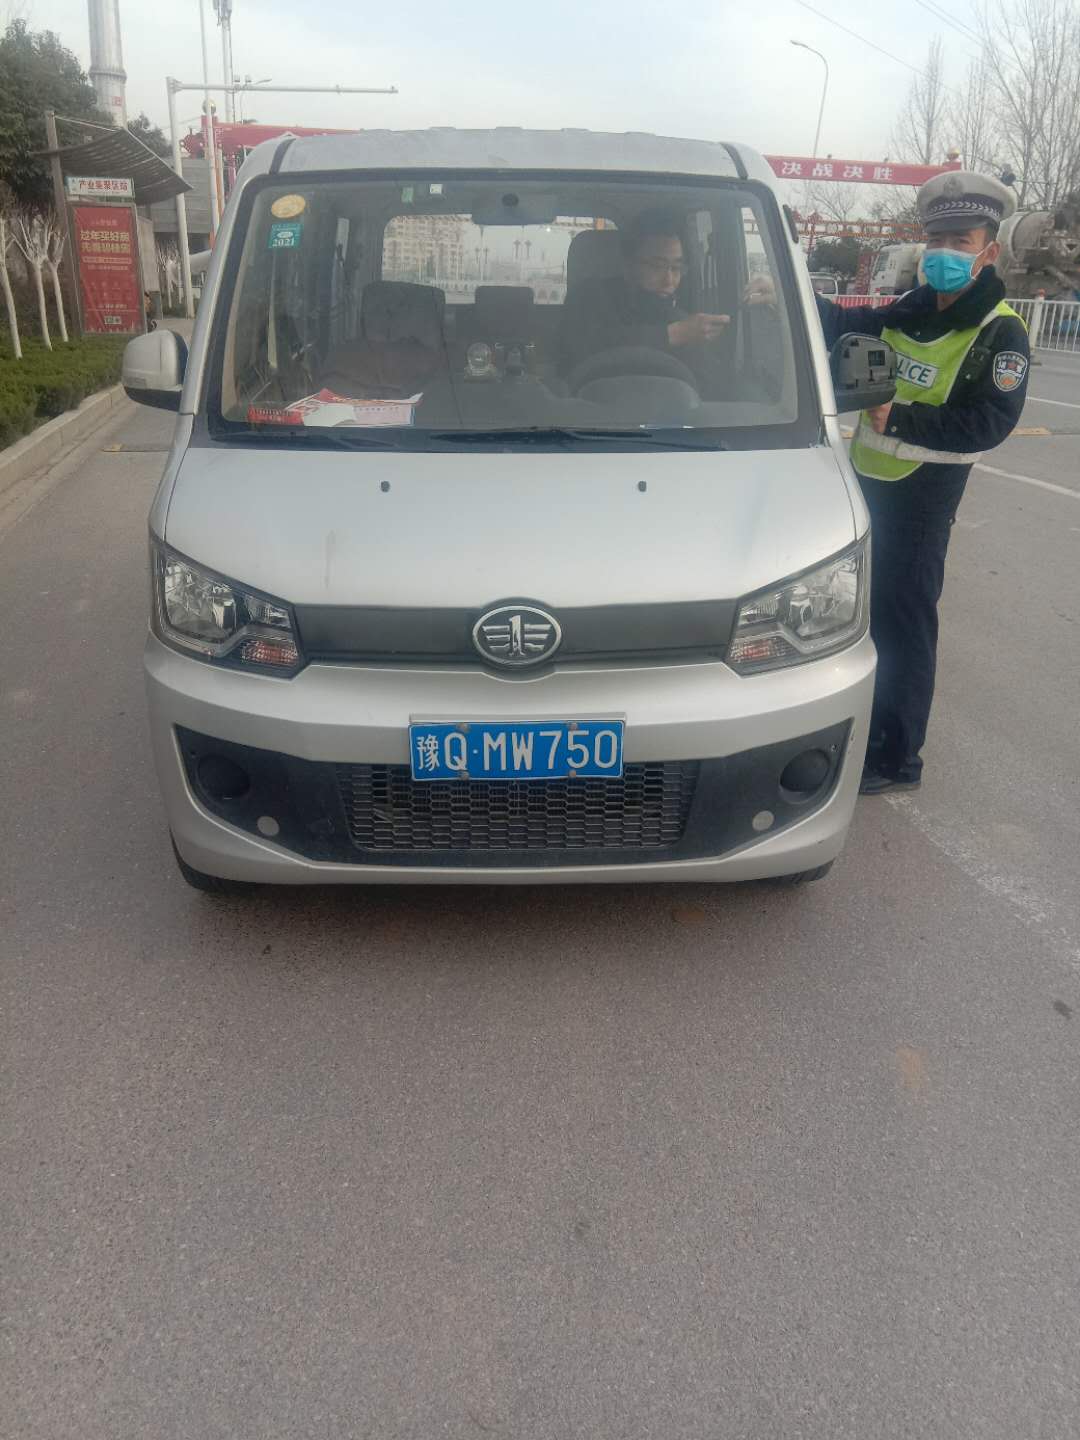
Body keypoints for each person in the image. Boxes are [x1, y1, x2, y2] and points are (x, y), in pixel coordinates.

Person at [814, 170, 1030, 795]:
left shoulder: (999, 329)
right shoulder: (910, 308)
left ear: (989, 251)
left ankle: (897, 758)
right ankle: (866, 731)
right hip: (867, 483)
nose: (944, 253)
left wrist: (901, 417)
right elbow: (846, 324)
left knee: (904, 625)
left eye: (961, 242)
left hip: (923, 498)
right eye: (937, 240)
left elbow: (990, 422)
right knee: (861, 617)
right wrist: (789, 292)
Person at [558, 212, 730, 376]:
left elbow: (709, 385)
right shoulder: (588, 297)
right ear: (628, 266)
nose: (669, 280)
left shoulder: (681, 321)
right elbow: (582, 348)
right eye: (657, 266)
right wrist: (672, 334)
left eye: (676, 268)